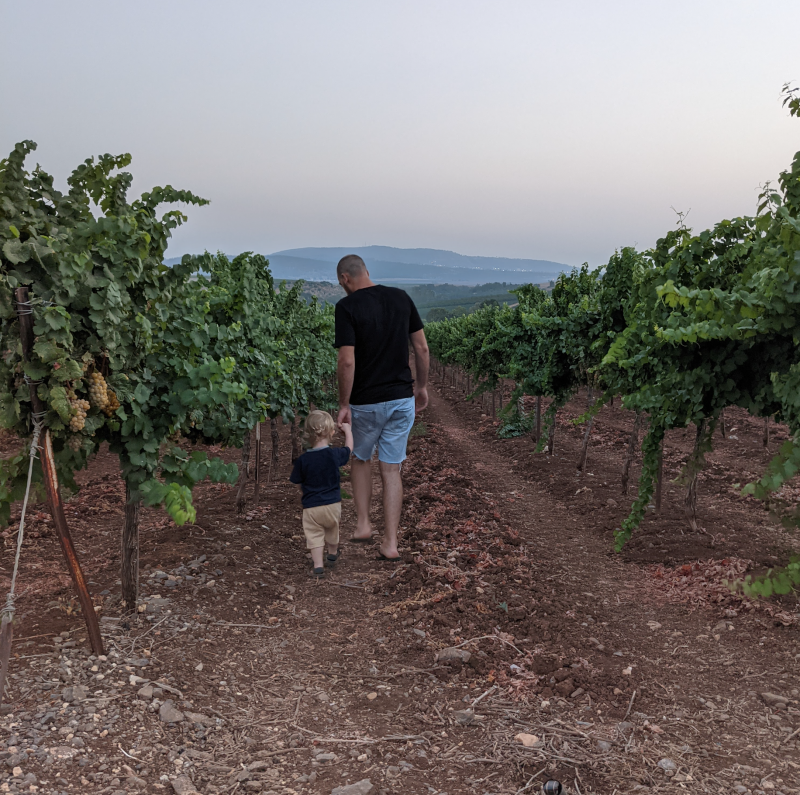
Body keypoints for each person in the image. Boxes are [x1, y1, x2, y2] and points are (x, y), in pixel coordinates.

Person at [334, 254, 430, 561]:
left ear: (344, 279)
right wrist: (421, 387)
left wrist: (344, 403)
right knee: (391, 469)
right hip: (402, 400)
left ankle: (363, 523)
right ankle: (390, 544)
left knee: (360, 459)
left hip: (366, 402)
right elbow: (422, 348)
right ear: (366, 271)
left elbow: (347, 360)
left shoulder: (346, 307)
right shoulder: (401, 298)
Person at [289, 410, 353, 578]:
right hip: (333, 505)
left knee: (314, 535)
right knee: (333, 529)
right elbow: (349, 450)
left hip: (311, 506)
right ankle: (332, 555)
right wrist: (348, 431)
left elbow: (296, 481)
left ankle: (318, 566)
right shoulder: (334, 455)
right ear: (331, 432)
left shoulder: (303, 460)